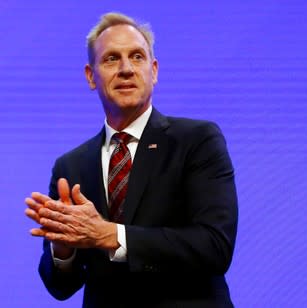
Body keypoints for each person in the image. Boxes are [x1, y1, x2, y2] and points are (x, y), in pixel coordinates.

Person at [24, 12, 238, 308]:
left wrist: (110, 235)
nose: (126, 69)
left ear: (154, 70)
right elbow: (60, 287)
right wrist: (63, 249)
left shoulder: (197, 140)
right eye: (111, 59)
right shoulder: (70, 166)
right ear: (90, 76)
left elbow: (215, 247)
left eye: (136, 57)